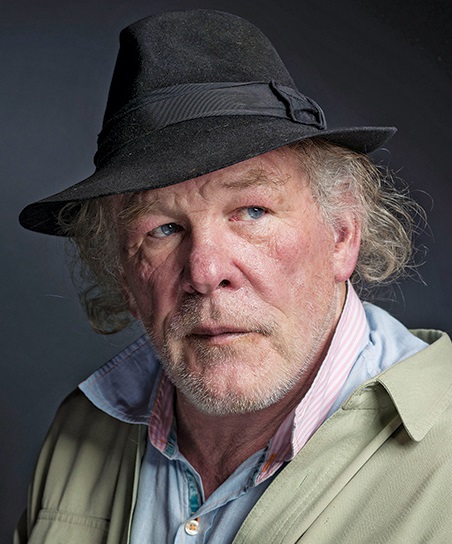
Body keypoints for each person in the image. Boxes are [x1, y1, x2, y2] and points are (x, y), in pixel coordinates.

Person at [15, 9, 452, 544]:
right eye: (163, 228)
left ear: (342, 235)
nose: (205, 272)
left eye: (252, 211)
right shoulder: (77, 431)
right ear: (125, 276)